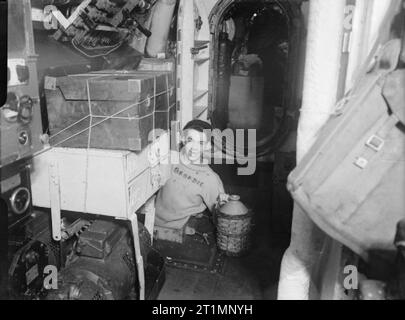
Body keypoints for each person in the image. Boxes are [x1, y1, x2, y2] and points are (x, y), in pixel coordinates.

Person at [154, 120, 229, 229]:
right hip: (150, 222)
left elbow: (222, 218)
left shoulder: (210, 179)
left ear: (208, 146)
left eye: (201, 143)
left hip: (179, 231)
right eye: (190, 140)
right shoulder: (170, 158)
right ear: (183, 139)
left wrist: (222, 204)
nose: (194, 147)